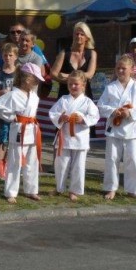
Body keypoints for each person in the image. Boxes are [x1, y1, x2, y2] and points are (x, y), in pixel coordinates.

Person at [98, 55, 136, 201]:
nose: (120, 71)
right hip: (114, 129)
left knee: (133, 160)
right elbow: (100, 106)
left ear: (132, 70)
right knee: (112, 159)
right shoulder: (110, 87)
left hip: (131, 129)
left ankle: (133, 189)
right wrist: (113, 111)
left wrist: (131, 113)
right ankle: (111, 188)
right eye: (118, 68)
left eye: (124, 68)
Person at [0, 62, 45, 204]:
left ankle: (31, 190)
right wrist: (11, 117)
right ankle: (10, 192)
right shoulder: (13, 95)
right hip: (18, 130)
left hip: (32, 131)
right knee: (15, 162)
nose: (37, 82)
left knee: (32, 162)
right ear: (27, 79)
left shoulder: (34, 96)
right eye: (36, 79)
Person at [48, 70, 100, 201]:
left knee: (78, 166)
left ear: (83, 85)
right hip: (64, 137)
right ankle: (59, 188)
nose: (73, 86)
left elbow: (95, 116)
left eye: (76, 84)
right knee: (61, 164)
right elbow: (53, 113)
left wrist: (83, 120)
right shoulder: (63, 100)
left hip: (80, 138)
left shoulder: (87, 102)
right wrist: (61, 118)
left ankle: (74, 190)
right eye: (70, 84)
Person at [50, 21, 98, 98]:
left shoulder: (92, 53)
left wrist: (68, 76)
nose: (79, 36)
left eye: (82, 34)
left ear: (87, 37)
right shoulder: (64, 53)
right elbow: (53, 73)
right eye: (77, 34)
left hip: (85, 95)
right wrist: (66, 82)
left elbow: (90, 74)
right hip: (65, 94)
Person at [0, 42, 17, 179]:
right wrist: (2, 92)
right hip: (1, 111)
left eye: (10, 55)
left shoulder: (19, 74)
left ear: (15, 57)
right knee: (1, 138)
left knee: (12, 139)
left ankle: (8, 164)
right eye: (5, 55)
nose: (8, 58)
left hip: (15, 111)